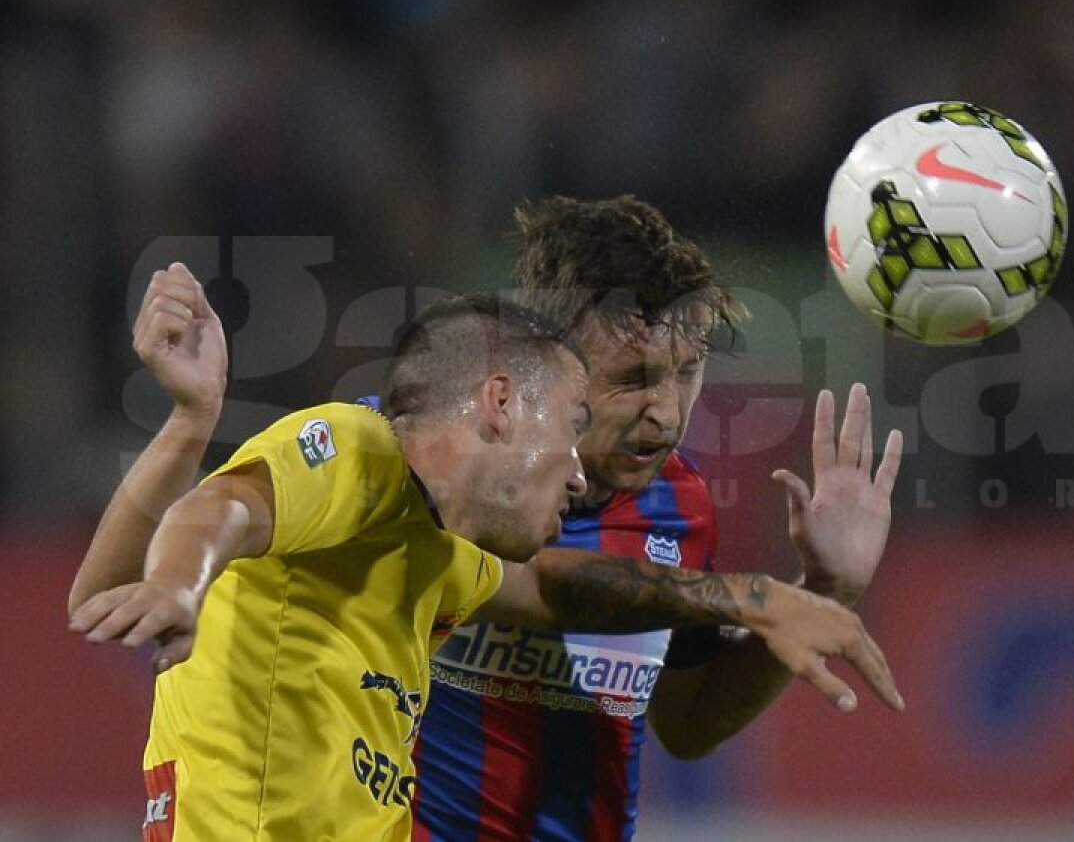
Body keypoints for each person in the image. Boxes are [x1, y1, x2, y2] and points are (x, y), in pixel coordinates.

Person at [69, 263, 902, 842]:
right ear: (499, 401)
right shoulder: (359, 454)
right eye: (573, 426)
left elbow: (558, 591)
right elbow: (222, 508)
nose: (578, 473)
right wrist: (180, 584)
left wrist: (781, 594)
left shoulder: (436, 554)